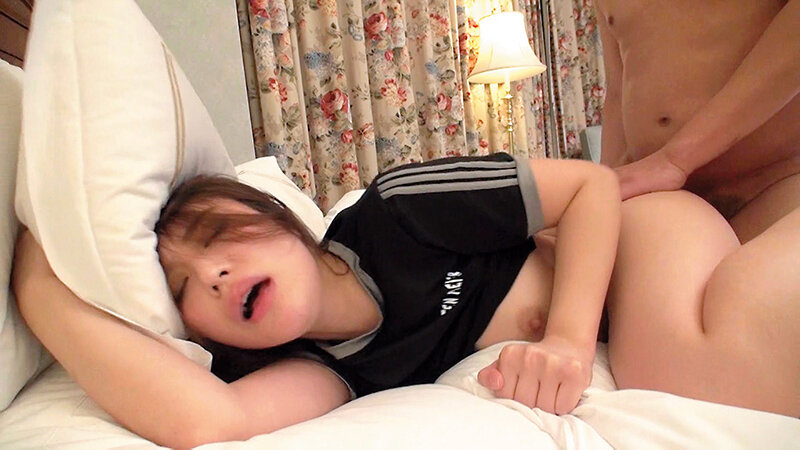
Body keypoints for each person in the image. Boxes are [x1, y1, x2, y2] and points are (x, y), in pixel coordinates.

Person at [12, 154, 799, 449]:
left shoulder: (397, 212)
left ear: (285, 220)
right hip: (673, 290)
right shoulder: (327, 369)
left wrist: (566, 340)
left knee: (680, 372)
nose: (213, 275)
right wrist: (40, 287)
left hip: (641, 241)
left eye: (221, 238)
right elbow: (206, 422)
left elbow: (591, 186)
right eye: (185, 290)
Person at [593, 0, 800, 413]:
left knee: (741, 348)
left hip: (780, 179)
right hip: (666, 201)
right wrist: (599, 196)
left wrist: (676, 159)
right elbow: (618, 91)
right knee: (665, 368)